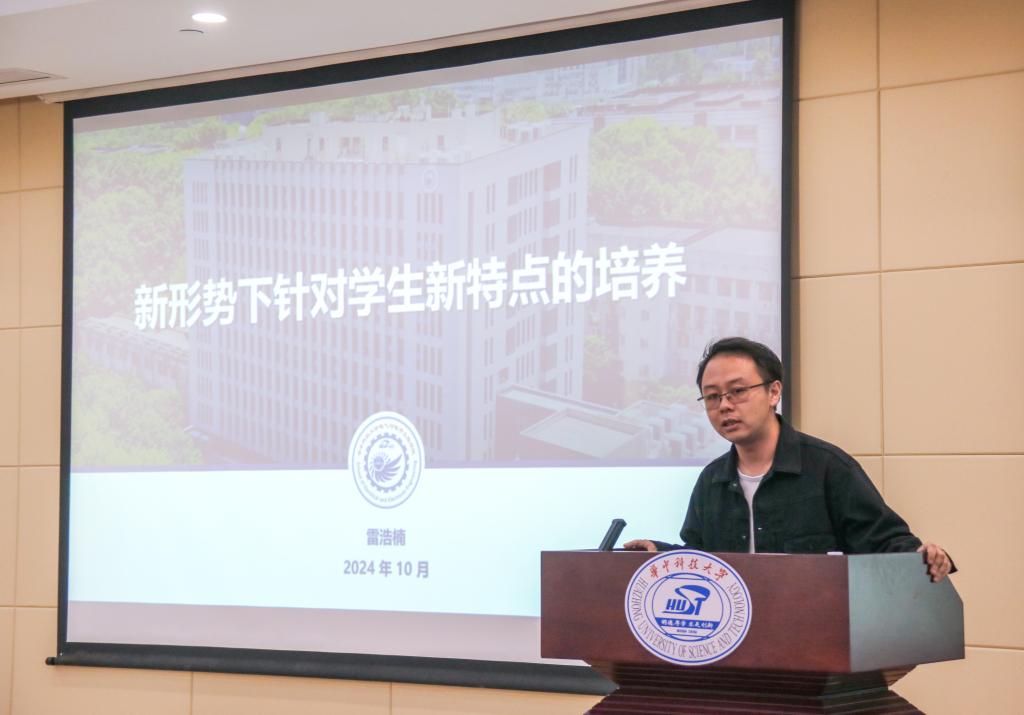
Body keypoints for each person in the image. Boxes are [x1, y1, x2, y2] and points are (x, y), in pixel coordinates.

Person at [624, 337, 953, 582]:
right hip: (734, 641)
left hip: (815, 637)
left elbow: (883, 542)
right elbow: (701, 558)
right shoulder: (712, 480)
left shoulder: (827, 467)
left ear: (774, 392)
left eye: (737, 391)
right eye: (712, 396)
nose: (724, 405)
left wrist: (920, 558)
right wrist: (659, 552)